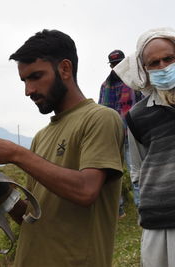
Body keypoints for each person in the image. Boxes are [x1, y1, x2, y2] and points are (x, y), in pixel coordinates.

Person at [0, 29, 124, 267]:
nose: (28, 90)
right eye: (24, 81)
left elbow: (86, 191)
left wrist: (15, 154)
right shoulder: (42, 136)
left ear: (65, 69)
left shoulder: (100, 118)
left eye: (35, 77)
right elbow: (32, 218)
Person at [114, 27, 175, 267]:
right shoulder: (137, 116)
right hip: (158, 222)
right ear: (144, 70)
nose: (163, 67)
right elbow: (138, 168)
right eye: (154, 63)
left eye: (169, 59)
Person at [98, 49, 143, 217]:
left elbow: (141, 107)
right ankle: (118, 210)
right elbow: (101, 111)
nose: (117, 66)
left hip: (133, 134)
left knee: (136, 173)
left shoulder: (134, 83)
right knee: (113, 175)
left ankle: (141, 210)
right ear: (111, 66)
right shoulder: (105, 86)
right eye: (114, 64)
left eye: (119, 63)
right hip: (113, 136)